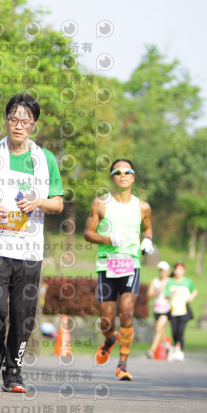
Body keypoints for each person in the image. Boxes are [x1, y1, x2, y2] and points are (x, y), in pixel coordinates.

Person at [0, 93, 64, 393]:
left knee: (23, 313)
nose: (18, 125)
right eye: (13, 118)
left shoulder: (45, 159)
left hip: (29, 248)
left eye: (25, 120)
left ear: (33, 124)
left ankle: (14, 371)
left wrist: (38, 202)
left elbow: (58, 203)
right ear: (5, 119)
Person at [83, 158, 153, 381]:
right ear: (112, 177)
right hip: (107, 264)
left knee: (127, 313)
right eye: (118, 172)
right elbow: (87, 233)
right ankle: (110, 339)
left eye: (127, 171)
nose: (123, 174)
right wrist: (108, 238)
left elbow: (148, 229)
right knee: (106, 321)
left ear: (133, 176)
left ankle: (122, 364)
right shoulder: (100, 203)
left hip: (131, 264)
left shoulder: (142, 207)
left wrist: (147, 241)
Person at [165, 261, 198, 361]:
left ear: (183, 271)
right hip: (173, 308)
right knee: (174, 331)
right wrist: (171, 295)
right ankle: (176, 346)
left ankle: (180, 349)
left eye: (180, 270)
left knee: (181, 330)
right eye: (177, 269)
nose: (178, 272)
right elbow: (166, 294)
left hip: (184, 308)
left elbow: (195, 291)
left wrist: (191, 297)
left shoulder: (187, 282)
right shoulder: (170, 281)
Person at [146, 261, 171, 359]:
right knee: (160, 330)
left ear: (167, 271)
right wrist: (158, 291)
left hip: (167, 309)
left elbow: (173, 294)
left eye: (164, 270)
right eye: (160, 270)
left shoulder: (170, 281)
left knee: (158, 328)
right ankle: (167, 346)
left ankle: (151, 350)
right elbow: (149, 295)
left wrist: (167, 294)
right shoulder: (155, 281)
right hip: (157, 308)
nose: (162, 272)